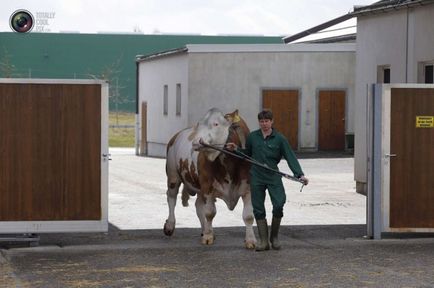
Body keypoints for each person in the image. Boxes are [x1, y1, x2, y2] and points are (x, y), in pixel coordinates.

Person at [226, 109, 308, 251]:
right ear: (259, 122)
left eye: (266, 121)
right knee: (258, 208)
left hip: (272, 175)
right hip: (256, 176)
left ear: (272, 121)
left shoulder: (280, 139)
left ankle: (274, 238)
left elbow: (290, 157)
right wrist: (237, 149)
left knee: (278, 203)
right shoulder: (253, 137)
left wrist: (299, 174)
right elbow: (248, 154)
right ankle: (263, 241)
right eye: (261, 121)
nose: (264, 124)